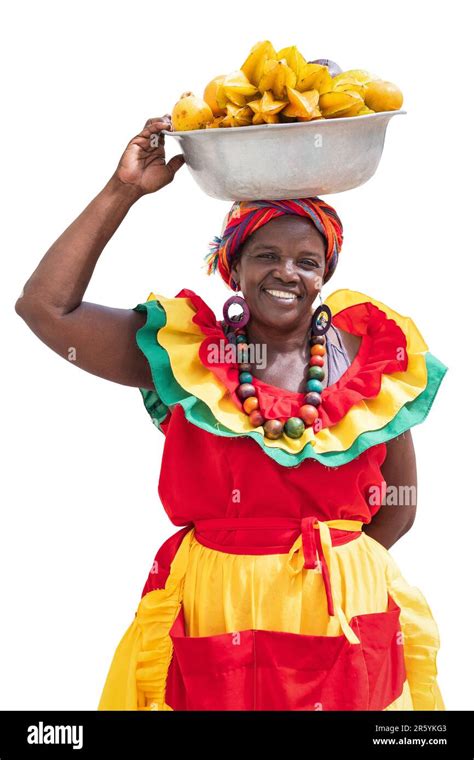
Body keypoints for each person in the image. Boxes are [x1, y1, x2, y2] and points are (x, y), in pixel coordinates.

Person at [15, 114, 448, 711]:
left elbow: (399, 507)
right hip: (216, 615)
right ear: (233, 267)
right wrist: (123, 191)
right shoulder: (192, 358)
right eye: (265, 254)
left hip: (345, 615)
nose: (286, 272)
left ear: (326, 273)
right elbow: (45, 310)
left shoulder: (374, 363)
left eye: (306, 259)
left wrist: (331, 577)